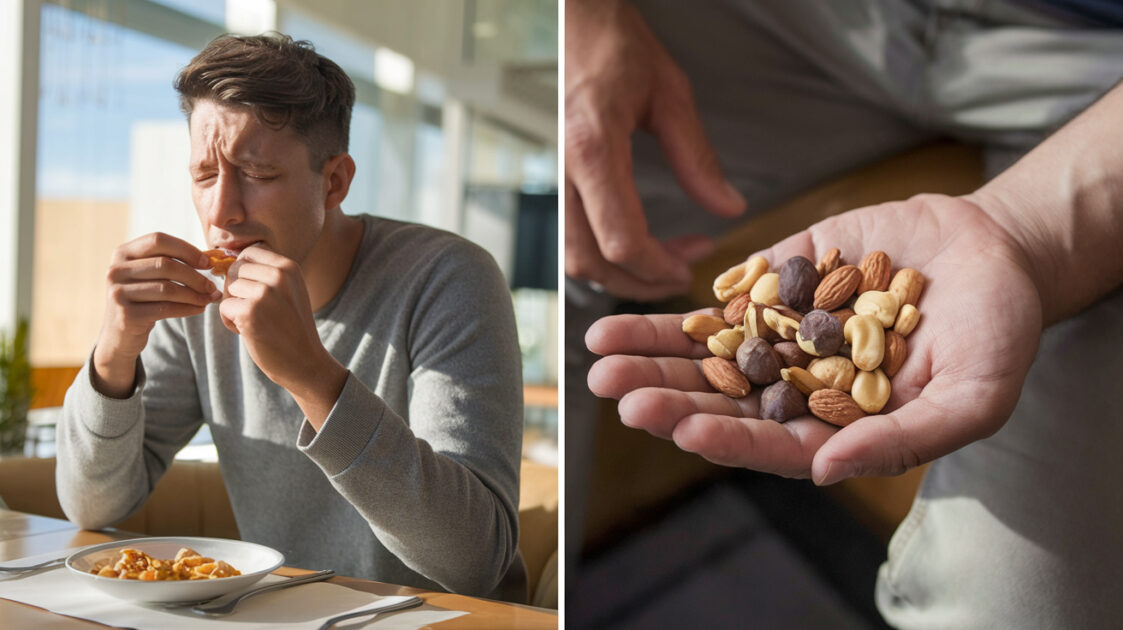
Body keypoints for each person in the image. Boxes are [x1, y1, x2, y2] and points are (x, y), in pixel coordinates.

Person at [570, 0, 1123, 626]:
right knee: (578, 207)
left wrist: (1023, 228)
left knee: (1014, 607)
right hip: (822, 16)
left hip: (1095, 65)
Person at [56, 33, 527, 603]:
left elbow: (475, 561)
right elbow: (90, 506)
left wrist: (310, 375)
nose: (222, 211)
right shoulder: (195, 306)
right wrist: (115, 353)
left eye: (257, 174)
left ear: (334, 182)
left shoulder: (449, 278)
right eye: (205, 175)